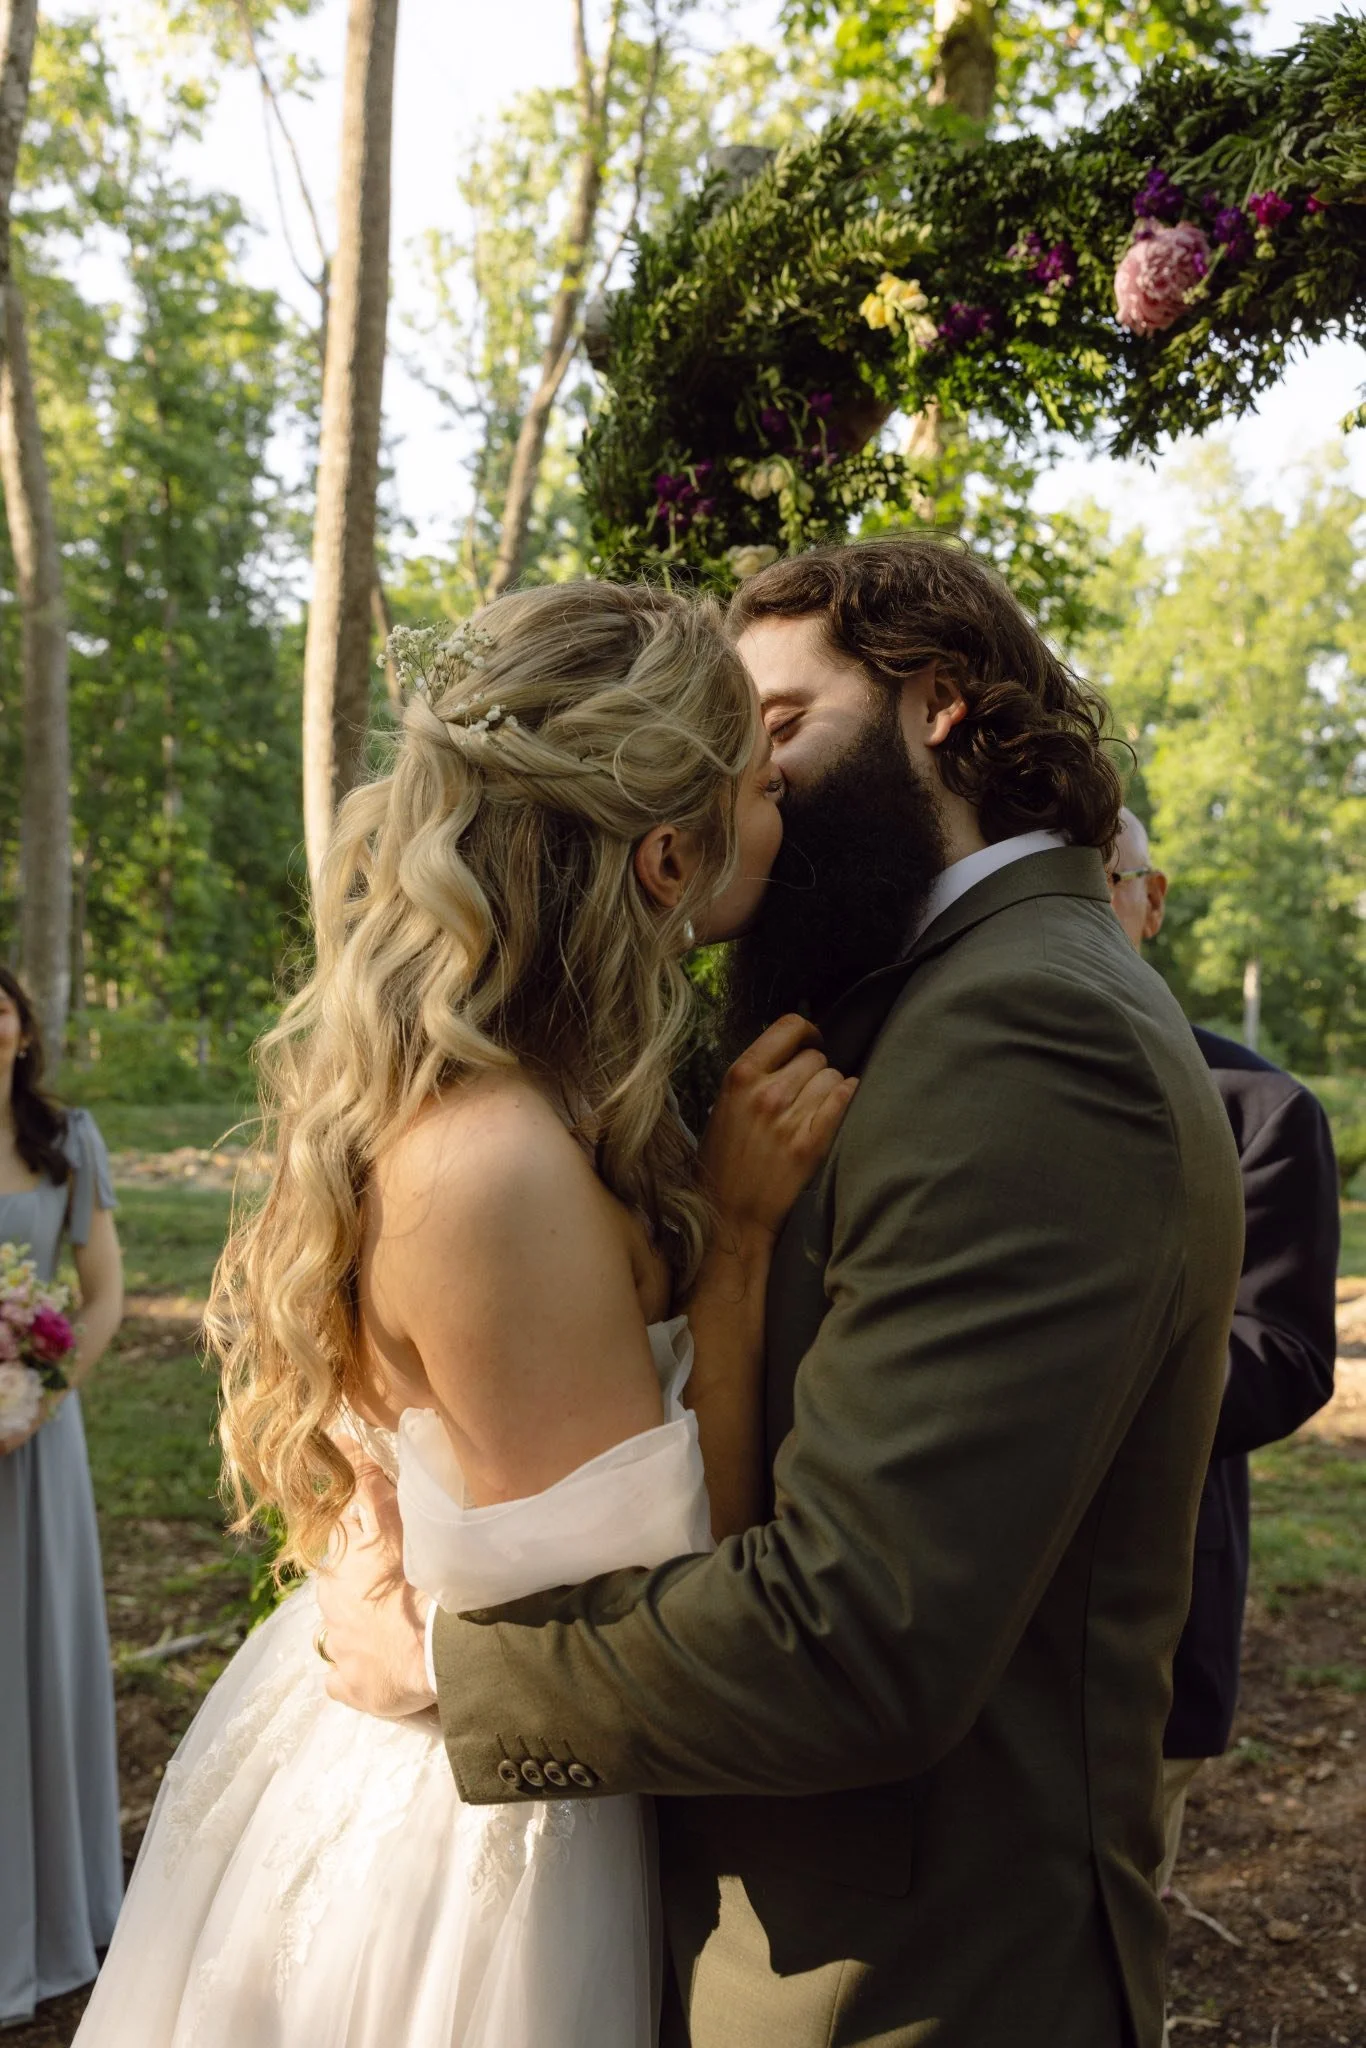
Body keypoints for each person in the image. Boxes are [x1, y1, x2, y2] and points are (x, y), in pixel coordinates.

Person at [319, 536, 1246, 2048]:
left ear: (937, 705)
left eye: (776, 731)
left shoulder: (1028, 1034)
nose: (736, 779)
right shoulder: (918, 998)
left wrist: (439, 1658)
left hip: (899, 1983)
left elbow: (862, 1634)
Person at [73, 581, 854, 2048]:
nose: (786, 812)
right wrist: (742, 1244)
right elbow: (673, 1591)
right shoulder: (498, 1166)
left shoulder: (547, 1103)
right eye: (759, 786)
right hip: (483, 1831)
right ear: (669, 854)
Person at [1107, 806, 1337, 1896]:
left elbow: (1281, 1352)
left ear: (1149, 901)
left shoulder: (1260, 1110)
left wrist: (1070, 1378)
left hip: (1151, 1622)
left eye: (1099, 878)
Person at [0, 966, 125, 2027]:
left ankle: (58, 1910)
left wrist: (42, 1395)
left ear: (22, 1026)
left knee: (43, 1653)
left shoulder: (67, 1137)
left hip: (41, 1435)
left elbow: (105, 1289)